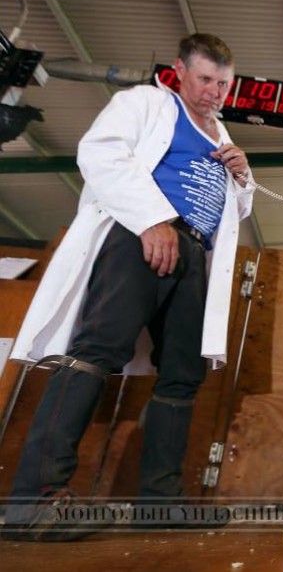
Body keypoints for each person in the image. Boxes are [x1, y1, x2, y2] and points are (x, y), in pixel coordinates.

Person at [2, 33, 254, 541]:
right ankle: (34, 501)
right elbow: (100, 153)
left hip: (193, 255)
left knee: (183, 374)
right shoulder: (146, 103)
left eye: (224, 84)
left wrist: (243, 177)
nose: (214, 92)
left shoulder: (223, 137)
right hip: (141, 235)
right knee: (96, 351)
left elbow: (233, 213)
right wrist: (151, 220)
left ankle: (160, 504)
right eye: (205, 79)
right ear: (179, 71)